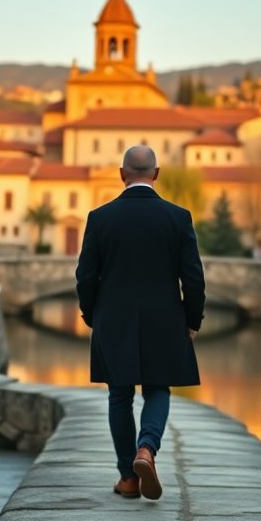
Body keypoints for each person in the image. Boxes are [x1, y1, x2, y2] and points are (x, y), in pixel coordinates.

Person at [76, 145, 204, 501]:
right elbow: (193, 279)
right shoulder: (178, 217)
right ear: (157, 174)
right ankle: (146, 449)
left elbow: (85, 277)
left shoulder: (100, 218)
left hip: (113, 320)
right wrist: (191, 320)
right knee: (158, 389)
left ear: (122, 174)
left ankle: (127, 479)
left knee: (119, 395)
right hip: (165, 319)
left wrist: (91, 315)